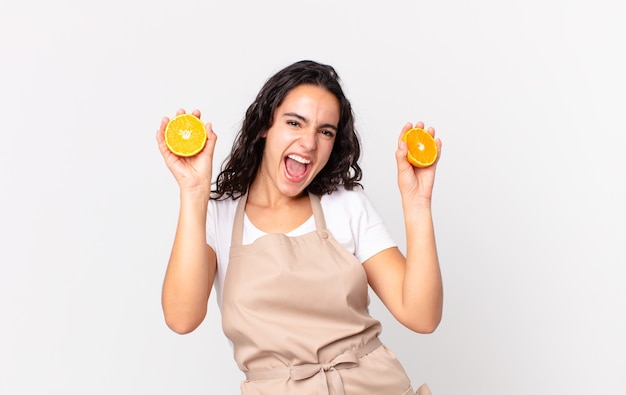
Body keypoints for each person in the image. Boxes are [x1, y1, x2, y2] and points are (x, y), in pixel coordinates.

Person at [156, 60, 443, 395]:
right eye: (295, 123)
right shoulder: (217, 216)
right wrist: (194, 193)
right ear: (265, 125)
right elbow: (181, 317)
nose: (309, 143)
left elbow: (421, 316)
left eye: (325, 131)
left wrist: (418, 204)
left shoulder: (346, 204)